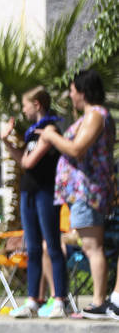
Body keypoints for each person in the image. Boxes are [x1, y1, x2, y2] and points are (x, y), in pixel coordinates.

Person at [38, 69, 119, 319]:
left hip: (89, 191)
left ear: (82, 92)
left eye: (72, 90)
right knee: (89, 245)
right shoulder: (90, 116)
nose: (70, 95)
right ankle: (99, 300)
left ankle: (98, 301)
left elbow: (76, 149)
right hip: (82, 193)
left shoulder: (96, 115)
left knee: (92, 247)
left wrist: (52, 136)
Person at [0, 86, 67, 318]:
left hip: (46, 193)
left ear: (37, 104)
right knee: (33, 248)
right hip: (28, 192)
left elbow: (29, 162)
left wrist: (23, 154)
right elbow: (23, 160)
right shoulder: (32, 133)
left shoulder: (50, 130)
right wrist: (7, 142)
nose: (23, 109)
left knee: (52, 245)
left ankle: (59, 299)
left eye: (25, 104)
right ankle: (32, 301)